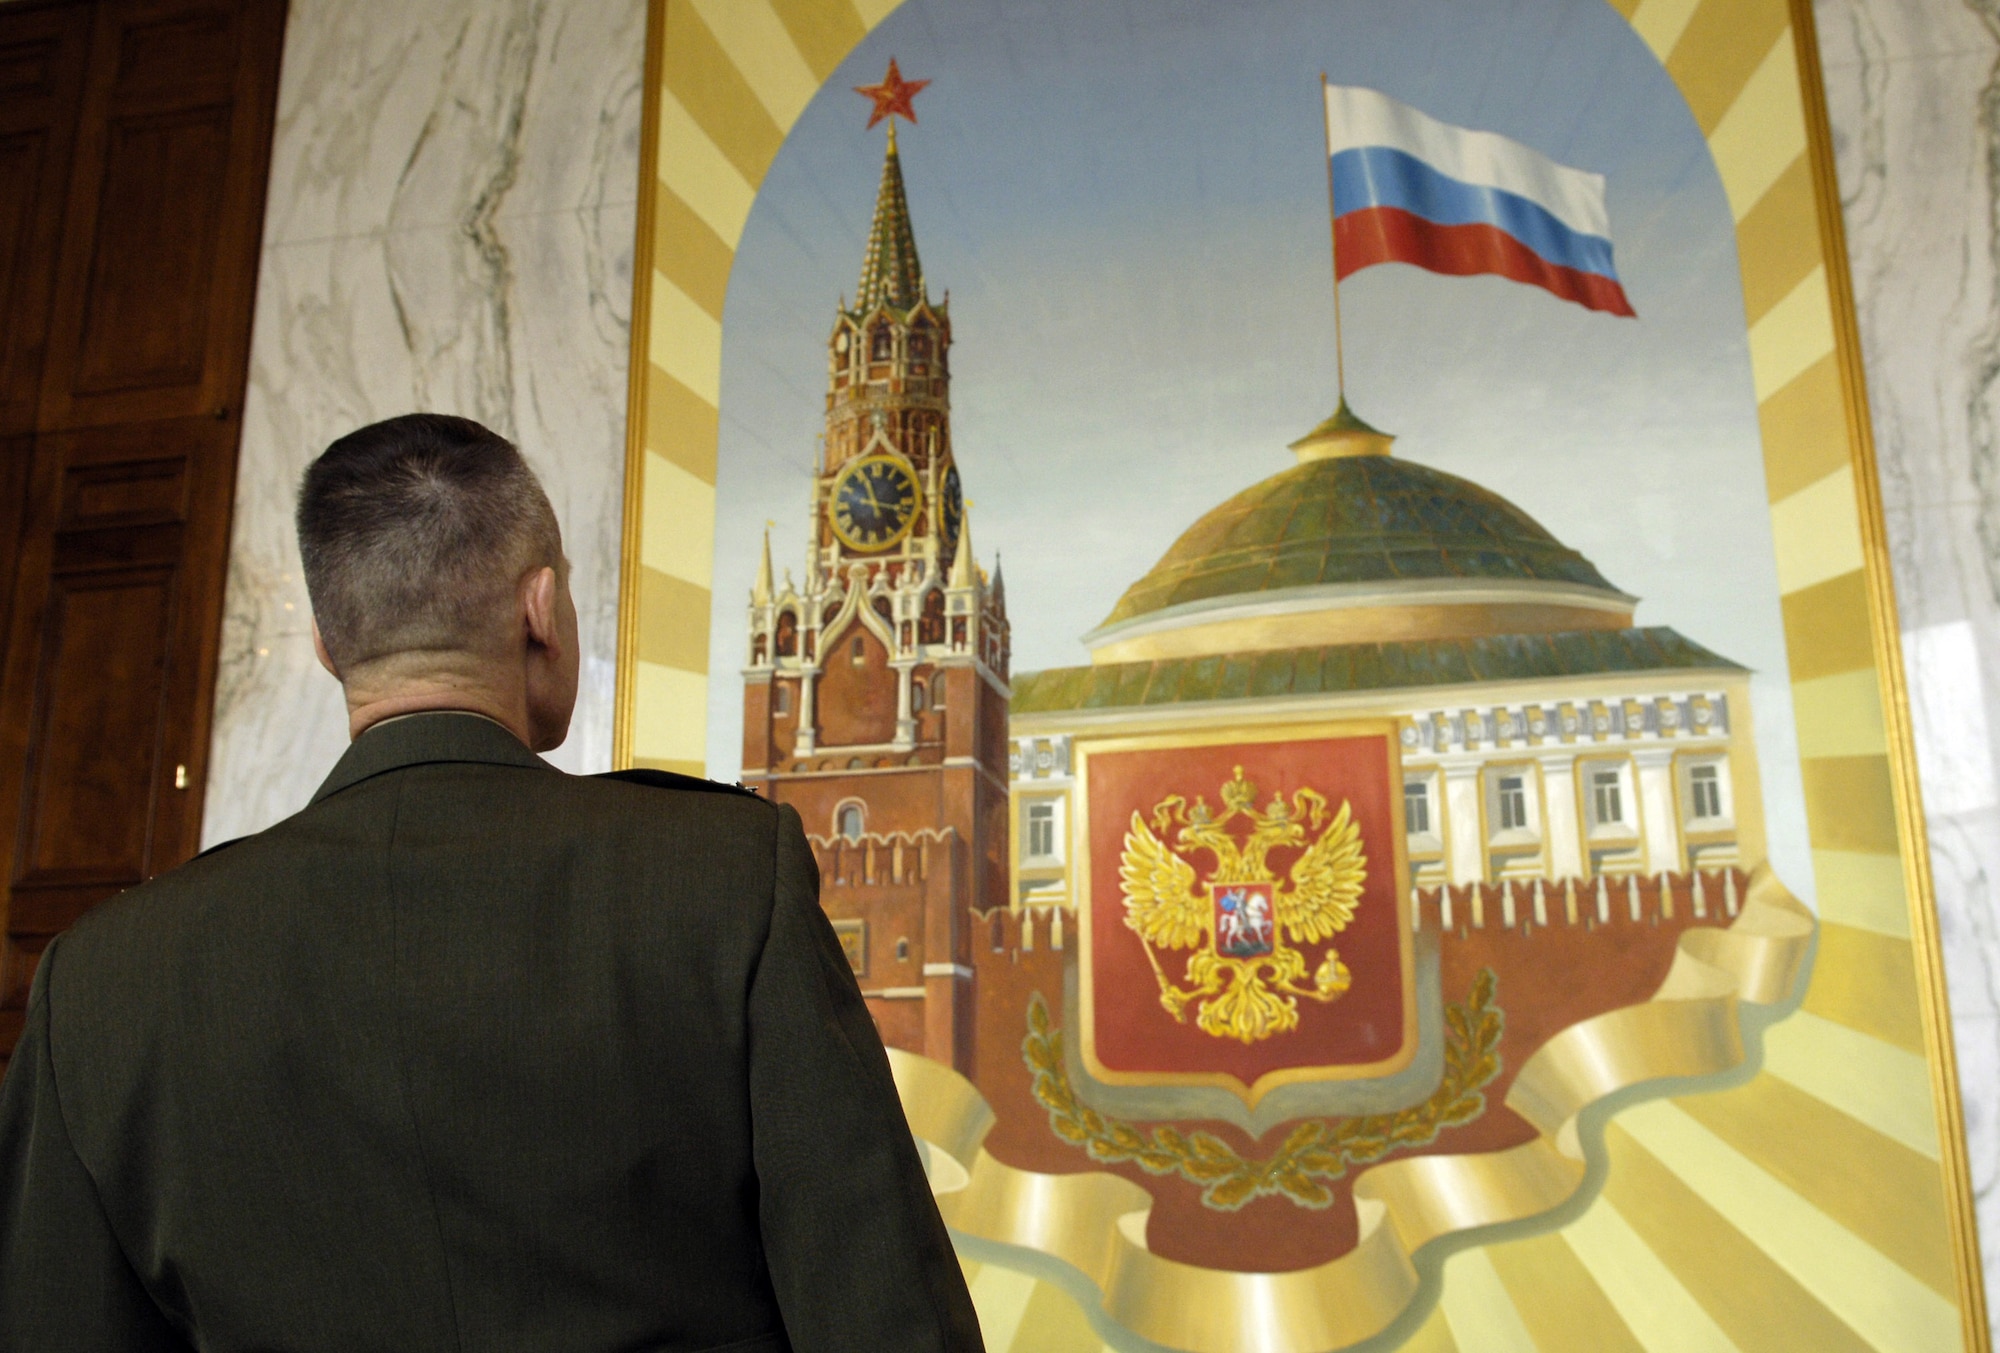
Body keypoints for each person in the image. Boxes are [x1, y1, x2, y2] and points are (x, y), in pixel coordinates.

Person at [0, 414, 983, 1352]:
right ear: (540, 612)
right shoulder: (721, 884)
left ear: (328, 644)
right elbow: (883, 1315)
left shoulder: (102, 980)